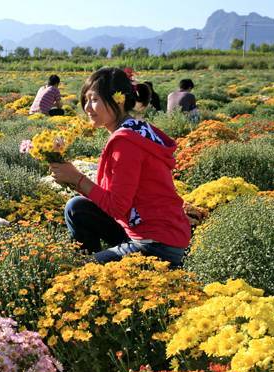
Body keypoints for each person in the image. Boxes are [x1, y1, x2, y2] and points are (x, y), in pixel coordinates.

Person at [49, 67, 190, 267]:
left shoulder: (126, 142)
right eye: (86, 99)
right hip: (144, 228)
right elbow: (111, 198)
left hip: (156, 244)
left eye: (95, 99)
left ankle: (93, 270)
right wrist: (70, 177)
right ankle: (99, 264)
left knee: (82, 273)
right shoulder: (136, 128)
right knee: (77, 208)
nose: (87, 108)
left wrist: (77, 178)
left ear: (119, 100)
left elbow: (116, 207)